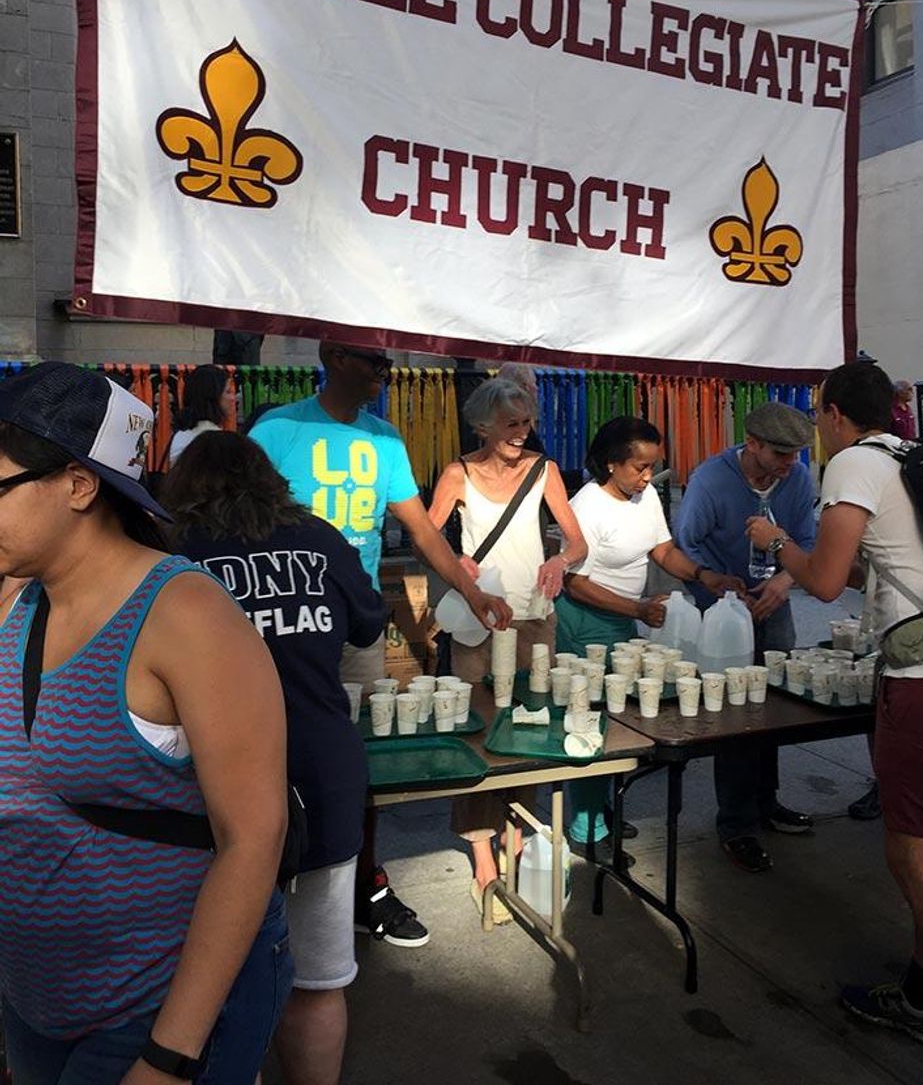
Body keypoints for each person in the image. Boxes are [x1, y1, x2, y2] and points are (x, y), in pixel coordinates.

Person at [0, 362, 290, 1083]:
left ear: (77, 483)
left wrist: (167, 1055)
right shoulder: (13, 595)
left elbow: (253, 837)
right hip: (36, 1003)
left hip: (153, 1008)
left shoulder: (184, 615)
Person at [747, 362, 923, 1083]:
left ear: (836, 411)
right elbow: (861, 572)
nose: (817, 424)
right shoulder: (921, 460)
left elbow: (819, 577)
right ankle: (921, 991)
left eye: (818, 412)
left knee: (917, 859)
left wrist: (774, 539)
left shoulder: (853, 460)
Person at [250, 341, 511, 947]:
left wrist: (471, 594)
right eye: (375, 361)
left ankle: (365, 884)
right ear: (334, 356)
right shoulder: (278, 428)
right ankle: (261, 888)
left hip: (354, 629)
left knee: (359, 766)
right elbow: (242, 520)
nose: (385, 373)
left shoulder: (385, 440)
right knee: (268, 759)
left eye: (388, 364)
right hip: (280, 630)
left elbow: (421, 530)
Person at [163, 431, 386, 1085]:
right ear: (270, 479)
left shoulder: (173, 552)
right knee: (319, 978)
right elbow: (368, 637)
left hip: (208, 792)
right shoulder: (319, 540)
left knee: (214, 985)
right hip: (323, 774)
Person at [427, 376, 587, 915]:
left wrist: (559, 561)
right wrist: (458, 566)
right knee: (475, 737)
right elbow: (429, 542)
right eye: (512, 425)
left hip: (536, 616)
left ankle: (516, 840)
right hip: (482, 615)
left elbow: (577, 539)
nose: (522, 435)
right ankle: (484, 862)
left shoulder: (545, 471)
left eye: (527, 424)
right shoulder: (458, 473)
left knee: (528, 730)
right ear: (482, 426)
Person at [557, 416, 744, 863]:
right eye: (639, 467)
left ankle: (599, 808)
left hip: (621, 624)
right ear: (610, 463)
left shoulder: (644, 499)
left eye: (651, 467)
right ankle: (586, 829)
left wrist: (703, 575)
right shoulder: (586, 506)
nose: (647, 477)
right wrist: (639, 609)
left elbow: (661, 549)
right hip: (584, 624)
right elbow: (574, 582)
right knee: (592, 727)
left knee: (617, 725)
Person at [674, 401, 817, 873]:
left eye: (795, 453)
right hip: (722, 607)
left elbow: (808, 543)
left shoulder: (797, 479)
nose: (789, 462)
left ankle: (765, 801)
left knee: (773, 706)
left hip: (774, 601)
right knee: (734, 715)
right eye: (779, 452)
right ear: (751, 444)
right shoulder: (711, 479)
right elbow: (686, 541)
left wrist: (785, 581)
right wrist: (714, 582)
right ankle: (735, 822)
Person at [169, 364, 237, 463]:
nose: (233, 398)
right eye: (228, 392)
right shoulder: (215, 441)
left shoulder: (182, 434)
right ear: (212, 396)